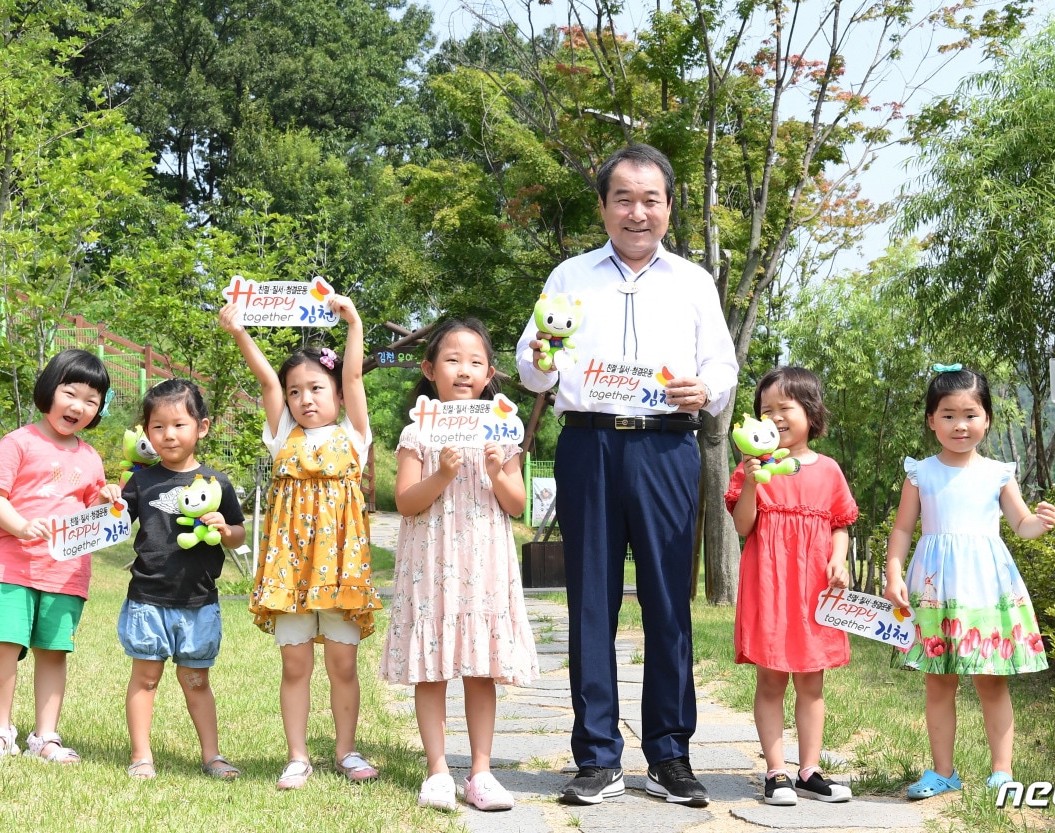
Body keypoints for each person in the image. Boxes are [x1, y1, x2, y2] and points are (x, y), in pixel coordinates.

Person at [516, 143, 738, 808]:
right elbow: (533, 372)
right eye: (622, 198)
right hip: (589, 446)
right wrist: (538, 355)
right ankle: (596, 756)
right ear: (603, 206)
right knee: (590, 602)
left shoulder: (693, 282)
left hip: (668, 450)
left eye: (650, 199)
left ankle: (669, 753)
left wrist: (707, 392)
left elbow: (722, 369)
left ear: (669, 206)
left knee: (669, 602)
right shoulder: (569, 274)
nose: (636, 212)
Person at [219, 295, 382, 790]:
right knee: (295, 665)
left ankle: (346, 751)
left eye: (316, 388)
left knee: (342, 664)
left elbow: (354, 377)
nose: (305, 398)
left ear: (334, 392)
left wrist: (353, 322)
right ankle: (297, 757)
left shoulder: (354, 434)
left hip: (341, 569)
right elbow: (266, 379)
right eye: (296, 391)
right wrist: (239, 331)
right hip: (289, 566)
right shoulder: (282, 434)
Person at [380, 319, 540, 812]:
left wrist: (496, 470)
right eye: (452, 360)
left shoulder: (503, 429)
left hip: (484, 560)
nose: (463, 370)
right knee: (431, 669)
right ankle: (436, 772)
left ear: (491, 372)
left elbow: (517, 505)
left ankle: (481, 771)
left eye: (475, 362)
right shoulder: (418, 432)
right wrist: (444, 472)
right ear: (430, 370)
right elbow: (406, 501)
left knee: (480, 670)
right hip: (432, 561)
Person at [883, 366, 1055, 800]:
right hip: (936, 588)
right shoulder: (920, 472)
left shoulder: (997, 472)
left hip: (986, 589)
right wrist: (893, 571)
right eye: (948, 415)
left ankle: (1003, 772)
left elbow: (1020, 524)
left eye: (970, 414)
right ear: (931, 420)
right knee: (939, 680)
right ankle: (943, 772)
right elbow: (904, 529)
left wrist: (1041, 522)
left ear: (987, 419)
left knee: (992, 680)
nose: (960, 425)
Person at [0, 349, 122, 762]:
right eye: (70, 393)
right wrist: (19, 526)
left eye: (92, 401)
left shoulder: (89, 457)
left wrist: (108, 496)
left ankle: (46, 737)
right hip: (11, 566)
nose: (79, 406)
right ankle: (0, 731)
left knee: (53, 652)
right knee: (3, 645)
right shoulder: (18, 442)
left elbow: (95, 512)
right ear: (48, 390)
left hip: (66, 573)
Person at [725, 367, 857, 806]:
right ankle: (775, 771)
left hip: (813, 590)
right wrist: (751, 478)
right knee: (770, 681)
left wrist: (838, 560)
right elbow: (744, 526)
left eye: (786, 407)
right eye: (766, 410)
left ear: (811, 412)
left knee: (811, 682)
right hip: (768, 588)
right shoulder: (753, 470)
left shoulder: (829, 470)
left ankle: (810, 770)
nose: (776, 417)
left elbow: (840, 525)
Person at [118, 379, 246, 781]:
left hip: (199, 600)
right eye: (157, 427)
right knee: (146, 678)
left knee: (196, 680)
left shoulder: (216, 483)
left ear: (202, 427)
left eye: (178, 425)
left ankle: (213, 756)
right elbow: (117, 523)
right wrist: (108, 501)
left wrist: (225, 528)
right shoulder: (142, 481)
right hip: (147, 596)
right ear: (146, 431)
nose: (168, 435)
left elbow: (240, 534)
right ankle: (141, 756)